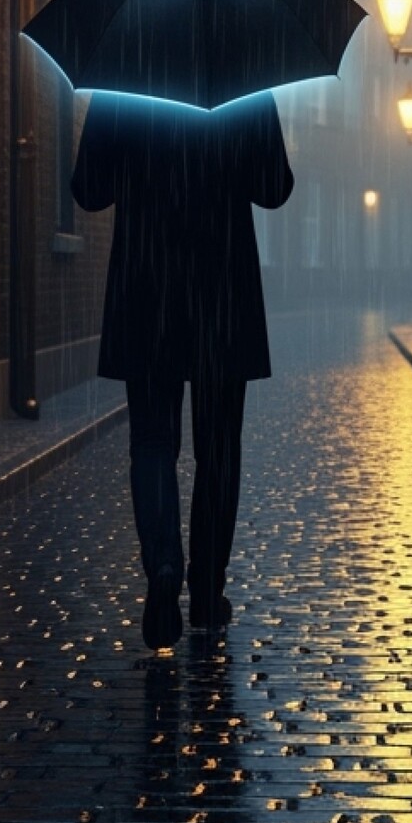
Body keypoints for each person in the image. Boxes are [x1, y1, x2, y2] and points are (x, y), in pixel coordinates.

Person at [71, 89, 295, 651]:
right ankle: (208, 589)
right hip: (222, 291)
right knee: (218, 449)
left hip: (146, 286)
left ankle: (164, 568)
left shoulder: (125, 80)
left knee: (152, 442)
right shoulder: (244, 82)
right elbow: (275, 188)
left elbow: (89, 189)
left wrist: (141, 165)